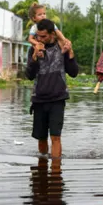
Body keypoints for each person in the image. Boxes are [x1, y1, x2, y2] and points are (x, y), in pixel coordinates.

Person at [26, 19, 80, 159]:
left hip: (57, 98)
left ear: (52, 35)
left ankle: (56, 172)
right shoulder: (33, 48)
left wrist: (70, 53)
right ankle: (42, 168)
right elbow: (29, 75)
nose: (39, 39)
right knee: (41, 138)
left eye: (43, 36)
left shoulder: (61, 47)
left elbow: (73, 72)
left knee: (55, 137)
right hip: (39, 99)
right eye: (37, 36)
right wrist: (34, 57)